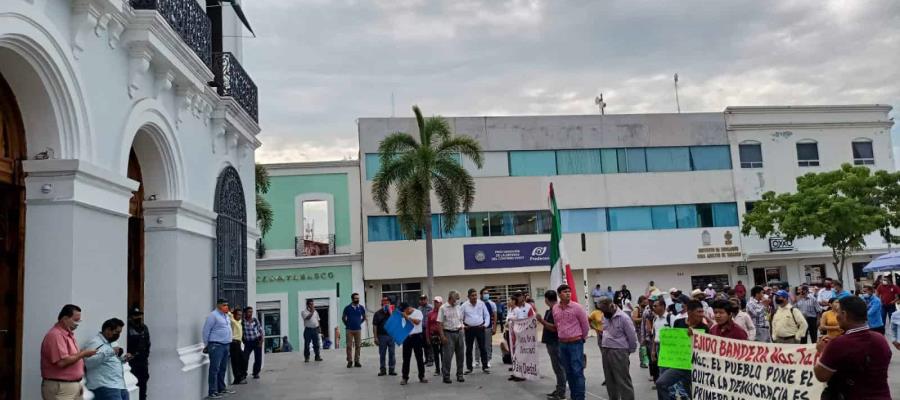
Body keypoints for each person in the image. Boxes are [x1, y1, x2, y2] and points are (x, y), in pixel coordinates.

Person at [814, 295, 893, 399]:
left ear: (844, 314)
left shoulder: (838, 344)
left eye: (838, 312)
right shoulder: (880, 339)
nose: (836, 316)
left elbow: (821, 376)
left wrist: (822, 352)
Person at [41, 304, 98, 400]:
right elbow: (62, 362)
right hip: (61, 387)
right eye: (75, 320)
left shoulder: (68, 334)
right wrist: (83, 353)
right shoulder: (55, 335)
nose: (78, 323)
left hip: (73, 385)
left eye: (79, 320)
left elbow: (73, 357)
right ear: (65, 318)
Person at [656, 300, 709, 400]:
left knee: (694, 395)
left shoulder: (704, 328)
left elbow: (706, 350)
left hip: (695, 368)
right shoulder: (678, 322)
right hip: (679, 366)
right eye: (699, 312)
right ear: (689, 312)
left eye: (702, 312)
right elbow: (674, 343)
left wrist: (695, 335)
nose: (702, 315)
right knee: (660, 383)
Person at [552, 285, 590, 400]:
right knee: (568, 372)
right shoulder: (555, 308)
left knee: (577, 371)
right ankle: (574, 396)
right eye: (565, 292)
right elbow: (557, 324)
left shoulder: (577, 307)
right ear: (559, 294)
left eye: (569, 291)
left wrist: (581, 338)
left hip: (575, 343)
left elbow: (585, 325)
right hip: (562, 344)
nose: (568, 293)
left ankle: (579, 397)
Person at [597, 297, 638, 400]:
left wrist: (629, 351)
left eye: (604, 310)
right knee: (609, 380)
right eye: (601, 310)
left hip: (619, 351)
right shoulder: (605, 316)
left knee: (623, 380)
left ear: (611, 306)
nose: (603, 313)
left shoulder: (623, 317)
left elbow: (632, 336)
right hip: (606, 350)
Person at [84, 318, 131, 400]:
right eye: (117, 332)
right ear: (108, 330)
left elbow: (108, 362)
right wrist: (110, 352)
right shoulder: (95, 342)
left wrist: (123, 360)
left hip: (119, 385)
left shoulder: (109, 343)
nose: (118, 335)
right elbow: (88, 363)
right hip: (105, 386)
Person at [536, 289, 567, 400]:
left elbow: (554, 328)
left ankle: (561, 392)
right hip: (550, 342)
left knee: (559, 368)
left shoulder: (555, 310)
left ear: (546, 299)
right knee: (557, 367)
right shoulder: (549, 310)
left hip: (555, 342)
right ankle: (559, 389)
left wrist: (541, 321)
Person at [202, 298, 235, 399]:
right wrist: (207, 345)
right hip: (216, 345)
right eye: (224, 305)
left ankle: (221, 388)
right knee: (214, 368)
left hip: (226, 345)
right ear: (219, 306)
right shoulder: (213, 316)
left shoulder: (226, 316)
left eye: (227, 305)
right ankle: (212, 391)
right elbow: (206, 331)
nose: (227, 307)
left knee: (222, 368)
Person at [437, 290, 465, 384]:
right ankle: (446, 376)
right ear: (450, 298)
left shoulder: (458, 307)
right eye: (455, 299)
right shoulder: (443, 308)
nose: (456, 301)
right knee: (447, 357)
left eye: (457, 299)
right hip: (448, 333)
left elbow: (461, 319)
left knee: (460, 355)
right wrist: (442, 336)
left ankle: (460, 375)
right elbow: (439, 323)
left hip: (459, 332)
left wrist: (462, 328)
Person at [460, 288, 490, 375]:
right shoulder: (464, 305)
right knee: (469, 349)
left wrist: (485, 325)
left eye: (475, 295)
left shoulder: (481, 304)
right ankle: (469, 368)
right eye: (472, 295)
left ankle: (485, 367)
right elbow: (460, 318)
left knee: (482, 348)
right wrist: (463, 326)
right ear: (468, 296)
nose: (474, 297)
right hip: (469, 329)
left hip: (480, 328)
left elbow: (487, 315)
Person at [398, 302, 428, 385]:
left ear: (408, 308)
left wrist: (407, 317)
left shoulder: (418, 312)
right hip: (407, 337)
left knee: (419, 358)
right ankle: (405, 377)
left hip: (417, 337)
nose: (403, 312)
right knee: (406, 358)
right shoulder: (403, 315)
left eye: (404, 310)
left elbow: (417, 322)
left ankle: (422, 376)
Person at [646, 297, 672, 387]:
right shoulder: (655, 319)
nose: (653, 307)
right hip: (658, 347)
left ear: (663, 306)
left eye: (655, 306)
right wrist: (653, 351)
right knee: (662, 369)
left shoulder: (671, 318)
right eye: (653, 306)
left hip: (669, 348)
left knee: (669, 371)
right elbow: (654, 336)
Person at [126, 306, 150, 400]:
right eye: (135, 315)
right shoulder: (128, 328)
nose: (138, 317)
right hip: (132, 362)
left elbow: (148, 344)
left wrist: (145, 357)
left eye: (139, 315)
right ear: (131, 317)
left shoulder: (144, 328)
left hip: (143, 362)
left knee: (143, 387)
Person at [372, 296, 396, 376]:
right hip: (381, 336)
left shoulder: (393, 312)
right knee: (382, 353)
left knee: (392, 353)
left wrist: (390, 312)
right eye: (384, 301)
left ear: (390, 303)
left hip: (391, 335)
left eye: (387, 301)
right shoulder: (377, 313)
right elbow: (375, 326)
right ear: (381, 303)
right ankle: (382, 370)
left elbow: (396, 323)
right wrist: (375, 337)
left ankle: (392, 369)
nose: (385, 303)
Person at [342, 292, 367, 368]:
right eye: (356, 298)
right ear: (352, 299)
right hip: (349, 330)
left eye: (358, 298)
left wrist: (359, 323)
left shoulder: (361, 308)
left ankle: (357, 361)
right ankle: (349, 361)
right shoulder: (347, 308)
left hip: (358, 330)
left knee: (358, 346)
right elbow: (343, 318)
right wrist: (347, 324)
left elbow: (364, 317)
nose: (357, 299)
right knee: (349, 346)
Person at [476, 287, 497, 369]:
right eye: (484, 293)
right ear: (481, 295)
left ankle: (488, 360)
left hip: (488, 327)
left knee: (488, 344)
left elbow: (495, 316)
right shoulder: (478, 303)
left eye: (487, 293)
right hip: (478, 327)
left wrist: (494, 327)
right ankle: (477, 360)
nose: (486, 295)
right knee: (477, 344)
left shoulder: (491, 304)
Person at [241, 307, 263, 379]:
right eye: (249, 312)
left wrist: (261, 340)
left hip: (257, 340)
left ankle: (256, 373)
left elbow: (260, 330)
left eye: (251, 312)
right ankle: (244, 373)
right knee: (245, 358)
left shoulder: (255, 320)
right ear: (245, 313)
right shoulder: (242, 322)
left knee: (258, 358)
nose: (250, 313)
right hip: (248, 342)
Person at [228, 307, 246, 385]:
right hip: (233, 343)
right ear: (234, 315)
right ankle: (237, 379)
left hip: (239, 343)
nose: (239, 316)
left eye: (240, 315)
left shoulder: (239, 322)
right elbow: (229, 314)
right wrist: (231, 312)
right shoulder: (233, 321)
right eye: (238, 315)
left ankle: (241, 376)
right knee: (235, 362)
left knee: (243, 360)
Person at [427, 297, 443, 376]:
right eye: (435, 302)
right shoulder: (430, 313)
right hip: (434, 335)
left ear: (441, 303)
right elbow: (428, 326)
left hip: (442, 334)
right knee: (435, 353)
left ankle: (444, 368)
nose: (436, 303)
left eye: (437, 302)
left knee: (443, 353)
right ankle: (437, 369)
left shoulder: (443, 312)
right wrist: (428, 337)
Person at [417, 294, 434, 366]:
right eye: (421, 299)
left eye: (424, 299)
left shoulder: (430, 307)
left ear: (426, 300)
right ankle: (426, 359)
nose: (423, 301)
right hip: (422, 329)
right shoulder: (419, 308)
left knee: (429, 344)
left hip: (429, 329)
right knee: (424, 345)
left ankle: (431, 359)